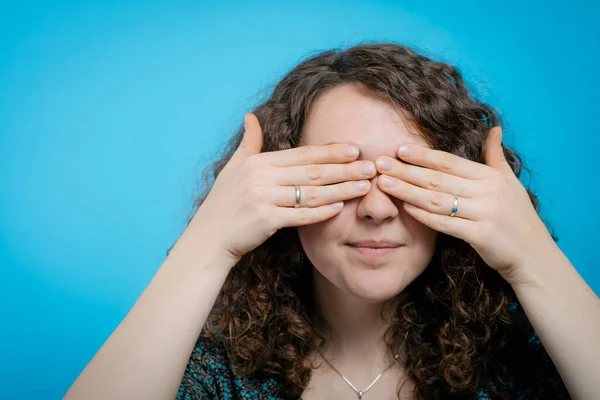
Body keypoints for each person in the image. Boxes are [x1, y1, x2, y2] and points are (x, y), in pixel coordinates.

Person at [64, 42, 600, 400]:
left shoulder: (522, 367)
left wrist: (534, 260)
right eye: (340, 175)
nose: (375, 208)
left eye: (408, 175)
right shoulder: (214, 372)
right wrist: (208, 241)